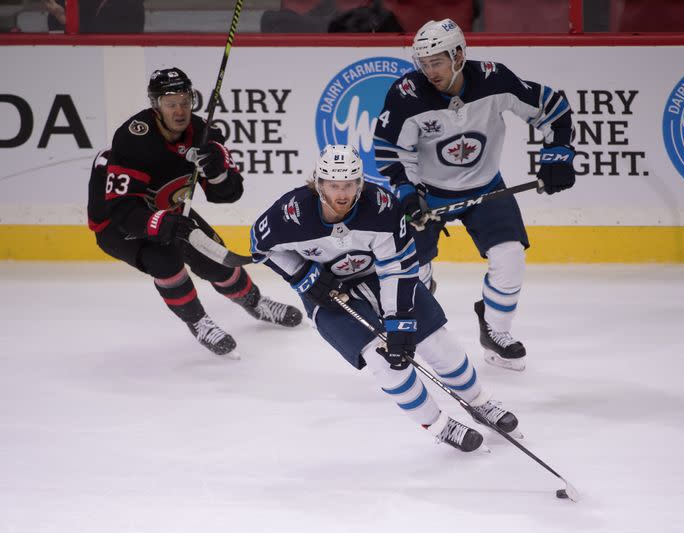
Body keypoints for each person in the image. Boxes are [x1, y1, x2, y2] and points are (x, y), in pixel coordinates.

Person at [249, 144, 520, 452]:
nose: (342, 194)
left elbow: (396, 269)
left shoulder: (380, 207)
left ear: (359, 184)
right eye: (334, 185)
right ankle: (440, 425)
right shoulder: (291, 213)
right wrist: (301, 275)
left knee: (435, 340)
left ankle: (480, 403)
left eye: (349, 185)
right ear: (318, 183)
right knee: (382, 358)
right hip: (327, 294)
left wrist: (400, 322)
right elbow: (259, 245)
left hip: (380, 277)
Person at [373, 19, 576, 372]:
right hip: (429, 194)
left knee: (510, 256)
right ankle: (423, 333)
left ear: (459, 54)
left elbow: (553, 108)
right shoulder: (406, 94)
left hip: (486, 186)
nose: (429, 70)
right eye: (423, 62)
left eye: (437, 61)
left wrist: (557, 154)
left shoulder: (495, 80)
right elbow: (390, 150)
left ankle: (495, 331)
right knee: (413, 273)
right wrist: (408, 192)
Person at [87, 67, 302, 358]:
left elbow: (228, 195)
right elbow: (124, 212)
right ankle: (198, 322)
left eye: (185, 101)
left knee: (216, 258)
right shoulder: (134, 139)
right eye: (170, 103)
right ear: (155, 105)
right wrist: (167, 225)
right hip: (117, 223)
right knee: (165, 259)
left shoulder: (203, 134)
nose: (179, 110)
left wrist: (216, 173)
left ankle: (255, 303)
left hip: (169, 209)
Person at [43, 0, 144, 33]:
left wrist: (65, 20)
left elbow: (102, 37)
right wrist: (58, 15)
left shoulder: (131, 4)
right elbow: (55, 30)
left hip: (119, 62)